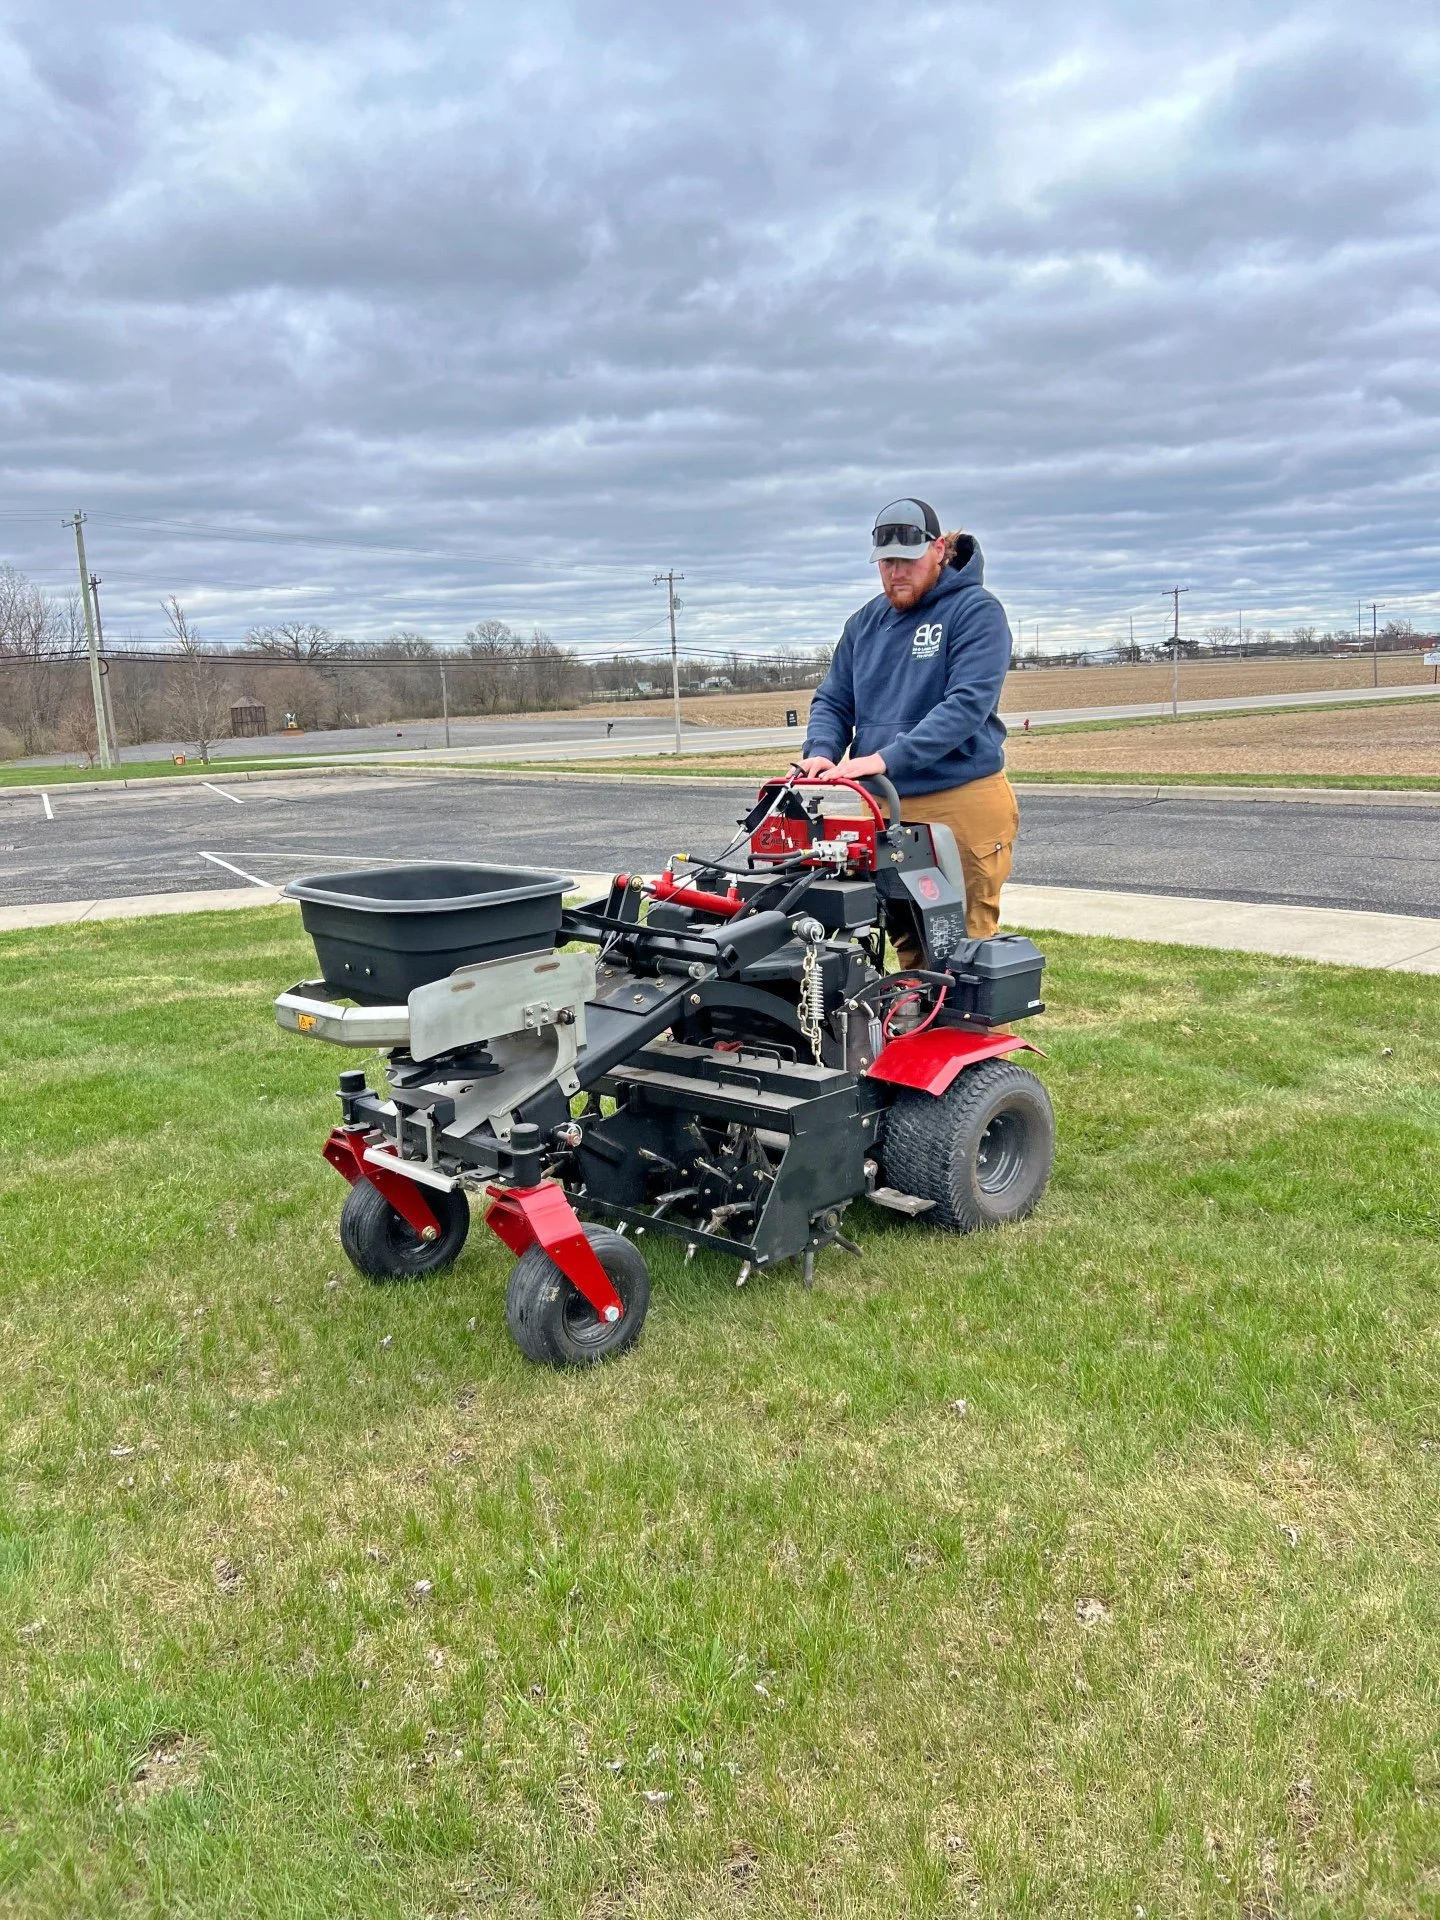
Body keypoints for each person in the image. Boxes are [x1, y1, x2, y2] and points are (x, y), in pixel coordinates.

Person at [796, 497, 1017, 939]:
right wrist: (820, 752)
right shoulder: (864, 624)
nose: (895, 572)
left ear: (938, 550)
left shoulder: (975, 611)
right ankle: (909, 1011)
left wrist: (886, 758)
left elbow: (966, 705)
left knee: (962, 944)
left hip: (957, 798)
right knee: (906, 937)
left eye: (907, 560)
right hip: (882, 805)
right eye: (886, 563)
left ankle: (951, 1010)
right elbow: (834, 701)